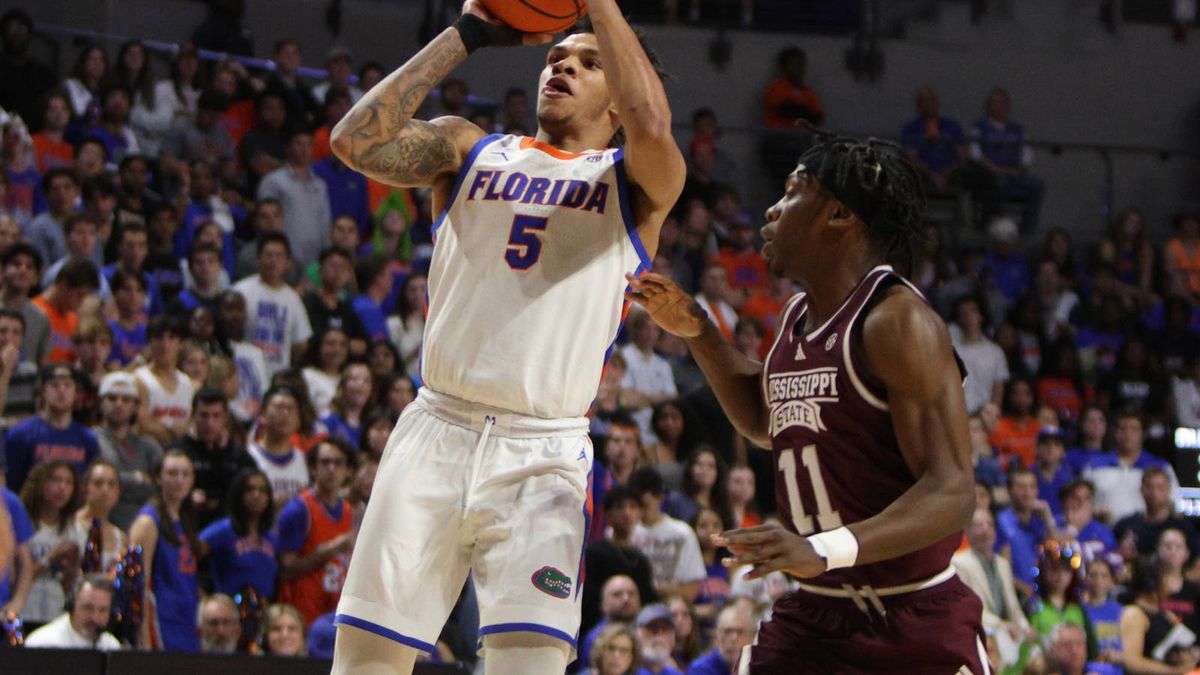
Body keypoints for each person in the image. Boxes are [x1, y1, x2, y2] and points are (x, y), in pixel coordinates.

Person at [329, 0, 686, 672]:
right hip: (435, 428)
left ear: (619, 102)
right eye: (557, 56)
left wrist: (600, 6)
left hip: (542, 454)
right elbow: (354, 142)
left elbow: (654, 122)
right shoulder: (469, 147)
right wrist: (467, 33)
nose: (562, 66)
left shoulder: (635, 185)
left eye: (588, 63)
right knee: (363, 664)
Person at [626, 131, 987, 672]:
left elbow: (953, 490)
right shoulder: (797, 316)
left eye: (792, 191)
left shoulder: (897, 321)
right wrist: (699, 332)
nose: (770, 209)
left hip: (912, 619)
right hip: (816, 617)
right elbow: (768, 420)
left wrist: (823, 549)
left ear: (839, 216)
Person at [127, 450, 201, 652]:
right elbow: (137, 584)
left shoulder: (186, 518)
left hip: (186, 618)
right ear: (158, 478)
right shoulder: (148, 522)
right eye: (172, 473)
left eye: (185, 474)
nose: (179, 480)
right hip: (160, 620)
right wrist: (142, 637)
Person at [278, 437, 355, 626]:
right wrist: (330, 549)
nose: (331, 469)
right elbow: (285, 571)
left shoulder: (347, 511)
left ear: (347, 471)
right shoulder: (298, 509)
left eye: (338, 463)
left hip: (334, 614)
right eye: (325, 462)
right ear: (313, 468)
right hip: (303, 615)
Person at [952, 508, 1031, 670]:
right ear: (966, 531)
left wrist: (1024, 627)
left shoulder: (1002, 564)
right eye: (978, 525)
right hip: (982, 631)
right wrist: (1003, 625)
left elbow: (1014, 608)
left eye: (989, 524)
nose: (985, 530)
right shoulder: (959, 563)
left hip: (1007, 631)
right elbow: (968, 610)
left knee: (1036, 649)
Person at [5, 363, 100, 491]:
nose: (61, 390)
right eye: (55, 385)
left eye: (67, 385)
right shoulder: (20, 434)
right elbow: (11, 485)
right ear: (43, 391)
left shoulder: (88, 438)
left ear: (76, 394)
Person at [232, 232, 313, 376]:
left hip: (278, 374)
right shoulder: (241, 291)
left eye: (279, 256)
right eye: (268, 255)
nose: (273, 260)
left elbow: (300, 344)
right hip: (245, 372)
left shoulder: (293, 299)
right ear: (258, 258)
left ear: (288, 262)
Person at [172, 388, 254, 528]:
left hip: (229, 528)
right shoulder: (178, 452)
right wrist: (187, 497)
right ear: (193, 415)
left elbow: (250, 490)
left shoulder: (238, 455)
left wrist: (220, 454)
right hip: (188, 526)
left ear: (225, 417)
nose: (210, 423)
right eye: (204, 415)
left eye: (216, 416)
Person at [92, 372, 163, 530]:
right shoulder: (91, 439)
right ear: (100, 403)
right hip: (104, 525)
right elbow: (96, 482)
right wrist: (136, 478)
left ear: (135, 406)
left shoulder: (147, 445)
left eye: (126, 399)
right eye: (112, 398)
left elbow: (164, 483)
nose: (119, 404)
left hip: (144, 527)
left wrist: (121, 479)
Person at [22, 573, 121, 650]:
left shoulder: (110, 645)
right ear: (71, 607)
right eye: (88, 608)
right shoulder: (43, 644)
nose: (94, 617)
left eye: (103, 610)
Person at [900, 86, 965, 197]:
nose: (928, 104)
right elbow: (911, 157)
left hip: (951, 174)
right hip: (922, 175)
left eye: (931, 100)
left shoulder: (951, 126)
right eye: (924, 101)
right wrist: (933, 175)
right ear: (918, 106)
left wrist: (944, 175)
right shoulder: (910, 129)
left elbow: (963, 155)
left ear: (937, 102)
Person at [0, 241, 50, 365]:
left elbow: (41, 362)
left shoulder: (40, 319)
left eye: (29, 267)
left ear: (36, 278)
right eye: (16, 264)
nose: (23, 270)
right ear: (2, 270)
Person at [684, 604, 755, 675]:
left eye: (740, 632)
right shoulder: (700, 668)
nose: (734, 637)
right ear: (717, 635)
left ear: (752, 637)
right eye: (728, 631)